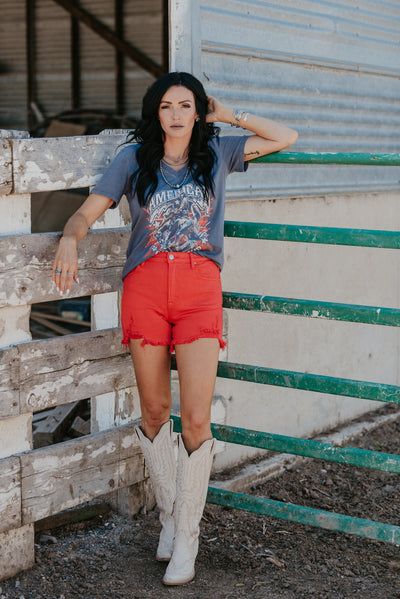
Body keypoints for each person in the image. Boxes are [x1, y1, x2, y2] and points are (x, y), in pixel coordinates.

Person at [52, 71, 298, 585]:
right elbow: (84, 213)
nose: (177, 114)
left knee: (195, 419)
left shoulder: (219, 153)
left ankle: (187, 537)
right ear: (156, 113)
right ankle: (169, 518)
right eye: (167, 106)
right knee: (154, 410)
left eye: (186, 105)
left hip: (198, 290)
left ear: (197, 112)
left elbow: (285, 138)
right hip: (144, 289)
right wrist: (72, 237)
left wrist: (228, 114)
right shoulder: (132, 160)